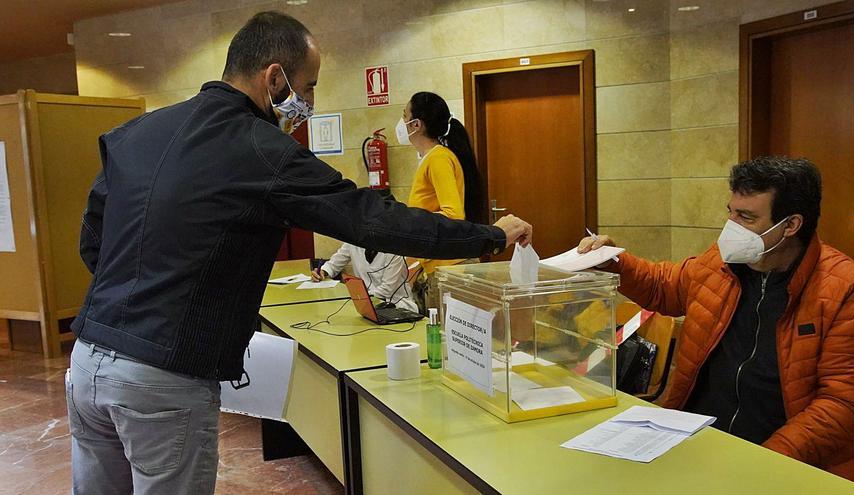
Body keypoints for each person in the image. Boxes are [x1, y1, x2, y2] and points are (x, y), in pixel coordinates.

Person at [66, 11, 532, 494]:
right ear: (274, 78)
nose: (308, 101)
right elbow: (374, 219)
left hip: (86, 362)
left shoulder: (137, 133)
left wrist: (137, 301)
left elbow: (93, 241)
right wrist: (490, 236)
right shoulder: (261, 148)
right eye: (307, 88)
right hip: (164, 379)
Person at [579, 156, 854, 488]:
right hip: (703, 444)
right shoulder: (721, 262)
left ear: (791, 225)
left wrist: (763, 461)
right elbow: (665, 286)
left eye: (746, 217)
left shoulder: (849, 290)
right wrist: (615, 262)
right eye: (731, 212)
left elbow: (844, 404)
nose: (731, 227)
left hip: (790, 462)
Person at [396, 91, 483, 311]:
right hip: (440, 267)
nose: (402, 122)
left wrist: (411, 222)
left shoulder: (439, 158)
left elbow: (453, 215)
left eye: (404, 115)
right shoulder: (432, 158)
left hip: (450, 270)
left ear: (417, 124)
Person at [311, 243, 418, 313]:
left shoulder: (394, 249)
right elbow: (333, 265)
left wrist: (356, 298)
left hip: (397, 307)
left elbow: (386, 290)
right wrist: (322, 272)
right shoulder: (352, 243)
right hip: (365, 306)